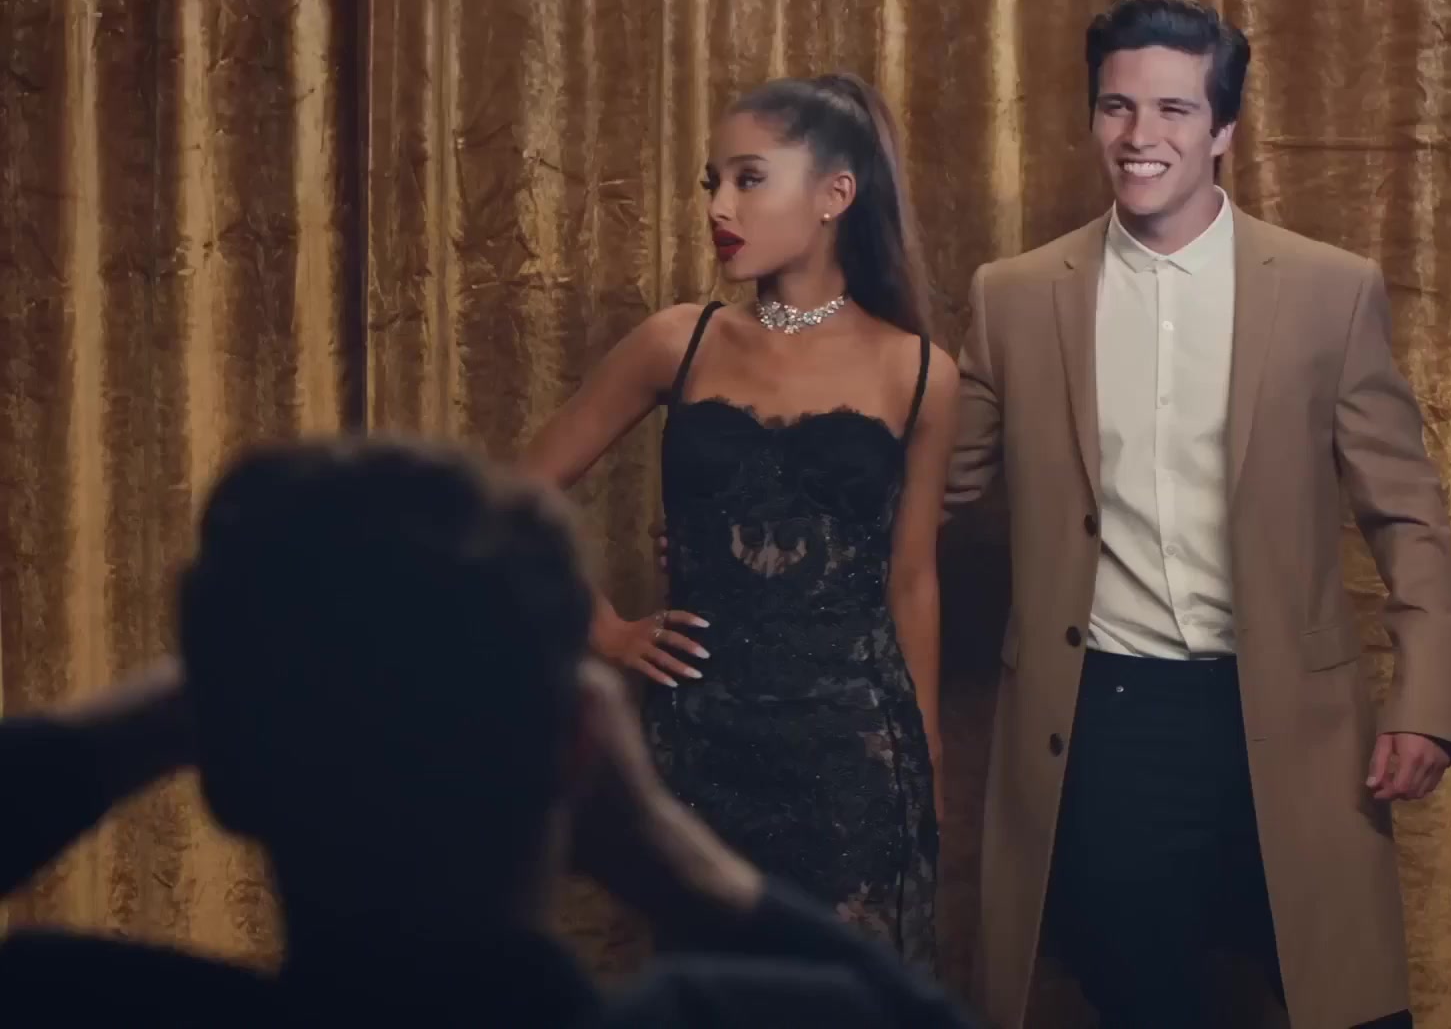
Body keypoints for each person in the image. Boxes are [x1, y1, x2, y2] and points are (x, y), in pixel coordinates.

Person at [0, 438, 976, 1028]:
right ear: (583, 744)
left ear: (222, 762)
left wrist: (156, 720)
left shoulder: (66, 1004)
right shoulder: (733, 1018)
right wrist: (677, 857)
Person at [944, 0, 1451, 1028]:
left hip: (1291, 717)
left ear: (1224, 128)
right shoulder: (1014, 296)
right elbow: (941, 488)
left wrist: (1427, 700)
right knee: (1145, 1003)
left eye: (1175, 109)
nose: (1140, 136)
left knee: (1348, 1003)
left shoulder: (1329, 290)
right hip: (1106, 719)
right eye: (1117, 107)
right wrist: (758, 532)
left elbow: (1407, 512)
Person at [517, 72, 957, 967]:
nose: (720, 205)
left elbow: (912, 579)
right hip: (700, 740)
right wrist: (607, 632)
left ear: (836, 194)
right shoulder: (678, 340)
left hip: (857, 755)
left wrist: (930, 761)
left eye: (749, 178)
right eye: (712, 182)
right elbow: (514, 495)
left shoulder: (919, 372)